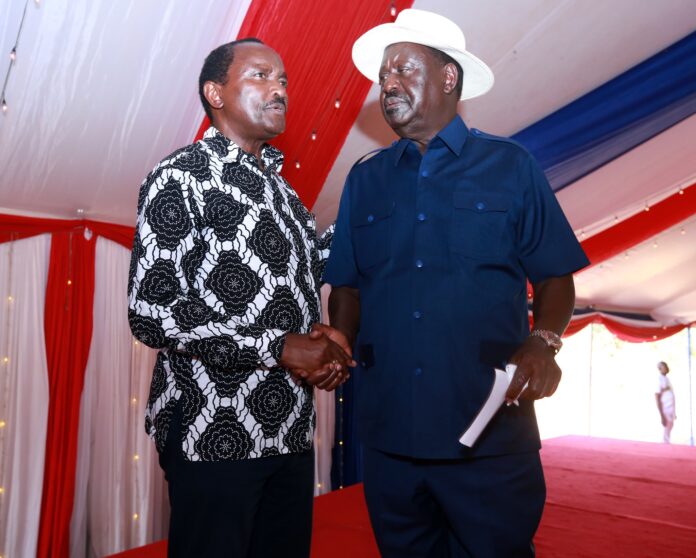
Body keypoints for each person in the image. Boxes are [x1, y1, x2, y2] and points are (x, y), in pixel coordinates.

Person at [324, 9, 590, 557]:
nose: (387, 82)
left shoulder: (511, 166)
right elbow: (346, 286)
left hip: (490, 438)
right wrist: (341, 336)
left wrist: (544, 340)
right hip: (390, 440)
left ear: (449, 77)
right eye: (383, 74)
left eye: (403, 68)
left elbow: (555, 276)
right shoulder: (364, 179)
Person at [128, 38, 354, 558]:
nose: (279, 89)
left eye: (284, 81)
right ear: (216, 93)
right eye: (260, 76)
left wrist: (367, 210)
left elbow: (309, 269)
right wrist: (278, 346)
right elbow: (152, 310)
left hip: (290, 430)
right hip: (214, 433)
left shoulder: (282, 190)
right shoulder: (180, 176)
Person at [655, 361, 676, 443]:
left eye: (666, 366)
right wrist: (661, 415)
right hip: (664, 409)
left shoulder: (666, 379)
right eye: (664, 367)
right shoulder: (659, 379)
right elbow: (657, 396)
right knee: (664, 429)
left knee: (669, 427)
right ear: (660, 369)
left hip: (670, 408)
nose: (666, 368)